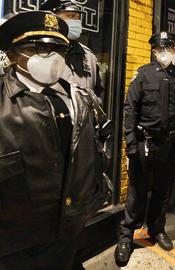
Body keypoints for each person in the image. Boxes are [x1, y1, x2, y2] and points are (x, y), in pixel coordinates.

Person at [0, 11, 111, 270]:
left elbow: (95, 152)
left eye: (57, 48)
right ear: (14, 55)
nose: (50, 56)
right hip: (13, 246)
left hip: (68, 234)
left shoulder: (82, 99)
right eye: (38, 48)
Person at [114, 31, 175, 267]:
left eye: (169, 47)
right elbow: (130, 109)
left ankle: (156, 229)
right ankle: (126, 236)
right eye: (161, 48)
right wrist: (130, 143)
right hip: (144, 143)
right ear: (154, 50)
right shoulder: (143, 74)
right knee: (137, 193)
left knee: (163, 191)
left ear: (174, 49)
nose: (165, 52)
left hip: (170, 145)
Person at [40, 0, 104, 98]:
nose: (76, 22)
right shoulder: (36, 51)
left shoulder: (89, 56)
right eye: (71, 16)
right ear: (52, 19)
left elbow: (97, 94)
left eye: (78, 18)